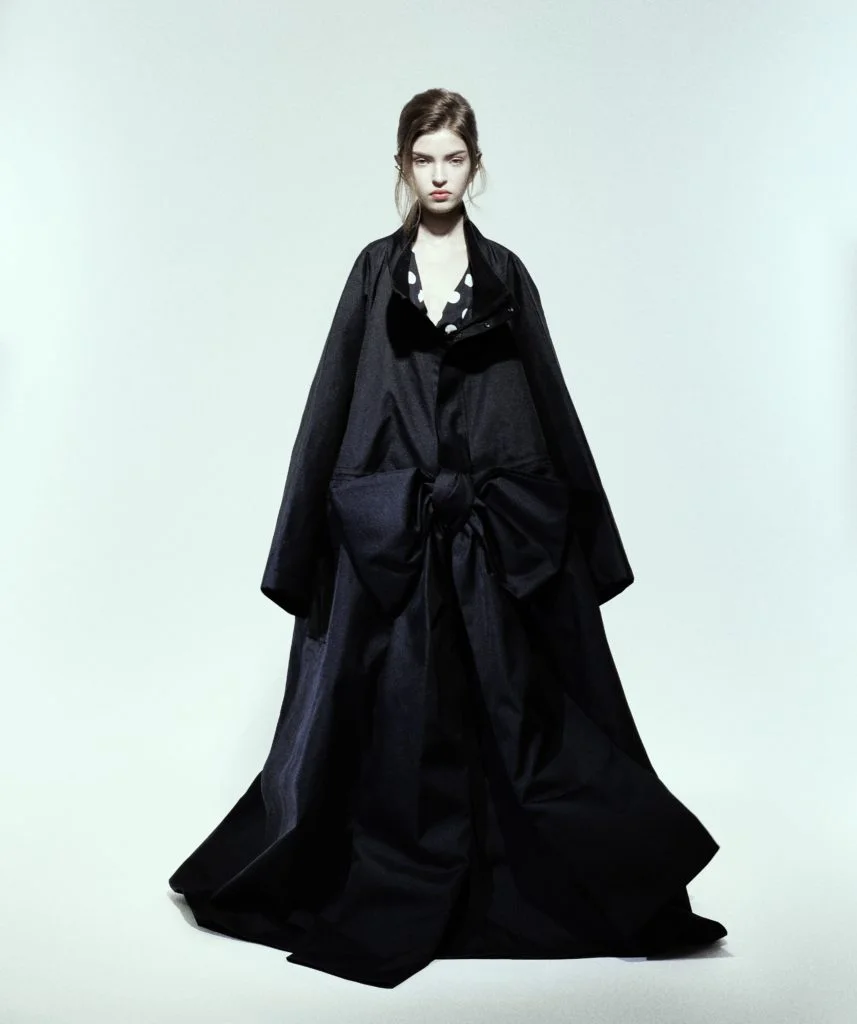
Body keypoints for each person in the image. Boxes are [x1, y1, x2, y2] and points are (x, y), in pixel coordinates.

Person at [168, 87, 727, 989]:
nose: (438, 176)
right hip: (392, 534)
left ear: (475, 165)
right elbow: (331, 404)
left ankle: (521, 878)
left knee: (519, 708)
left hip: (490, 536)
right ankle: (383, 874)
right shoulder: (373, 271)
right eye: (423, 159)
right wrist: (302, 544)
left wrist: (581, 538)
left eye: (453, 159)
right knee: (386, 711)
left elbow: (546, 400)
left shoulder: (504, 274)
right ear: (401, 166)